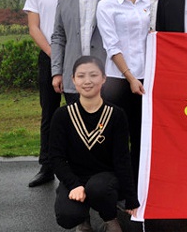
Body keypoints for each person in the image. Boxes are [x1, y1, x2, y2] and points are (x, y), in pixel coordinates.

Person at [50, 56, 139, 232]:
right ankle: (83, 220)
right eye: (81, 76)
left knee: (98, 189)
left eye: (93, 75)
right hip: (75, 177)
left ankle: (109, 218)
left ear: (104, 78)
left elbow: (122, 159)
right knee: (67, 215)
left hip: (105, 180)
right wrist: (74, 185)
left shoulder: (116, 115)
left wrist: (130, 197)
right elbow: (56, 158)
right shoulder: (62, 115)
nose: (87, 81)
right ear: (73, 80)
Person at [23, 0, 79, 187]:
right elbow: (34, 28)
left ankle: (78, 165)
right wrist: (53, 54)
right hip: (48, 58)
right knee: (49, 113)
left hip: (77, 59)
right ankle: (46, 166)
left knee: (78, 112)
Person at [96, 0, 150, 185]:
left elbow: (151, 38)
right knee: (118, 136)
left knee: (141, 135)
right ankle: (117, 185)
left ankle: (138, 185)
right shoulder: (106, 5)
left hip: (146, 78)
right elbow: (112, 45)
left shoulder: (145, 3)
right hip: (119, 80)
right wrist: (130, 78)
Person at [51, 0, 112, 105]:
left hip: (108, 75)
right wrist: (57, 72)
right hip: (75, 75)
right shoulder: (65, 0)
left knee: (107, 119)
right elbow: (58, 37)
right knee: (76, 119)